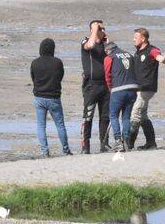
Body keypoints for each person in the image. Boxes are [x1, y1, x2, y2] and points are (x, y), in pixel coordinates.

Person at [128, 27, 165, 150]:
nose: (134, 40)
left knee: (135, 113)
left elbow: (161, 59)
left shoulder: (152, 50)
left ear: (143, 38)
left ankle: (129, 144)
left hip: (147, 88)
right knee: (142, 115)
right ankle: (151, 143)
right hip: (137, 88)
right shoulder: (137, 52)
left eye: (136, 37)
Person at [30, 37, 71, 157]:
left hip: (39, 97)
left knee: (41, 125)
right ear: (53, 49)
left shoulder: (35, 62)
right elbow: (60, 76)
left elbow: (33, 78)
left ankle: (44, 151)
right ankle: (66, 150)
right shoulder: (57, 62)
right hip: (54, 97)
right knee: (60, 125)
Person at [79, 20, 112, 154]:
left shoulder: (105, 45)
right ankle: (85, 146)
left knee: (105, 116)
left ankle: (104, 143)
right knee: (88, 116)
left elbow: (114, 56)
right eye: (100, 28)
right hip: (91, 85)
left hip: (105, 85)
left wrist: (107, 41)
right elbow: (90, 45)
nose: (102, 30)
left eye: (103, 28)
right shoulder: (85, 42)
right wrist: (94, 29)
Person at [104, 41, 138, 152]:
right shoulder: (129, 55)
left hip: (118, 90)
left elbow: (107, 75)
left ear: (107, 50)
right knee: (126, 117)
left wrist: (110, 89)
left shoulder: (109, 58)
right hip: (132, 89)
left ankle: (118, 141)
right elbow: (135, 71)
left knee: (113, 116)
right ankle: (127, 141)